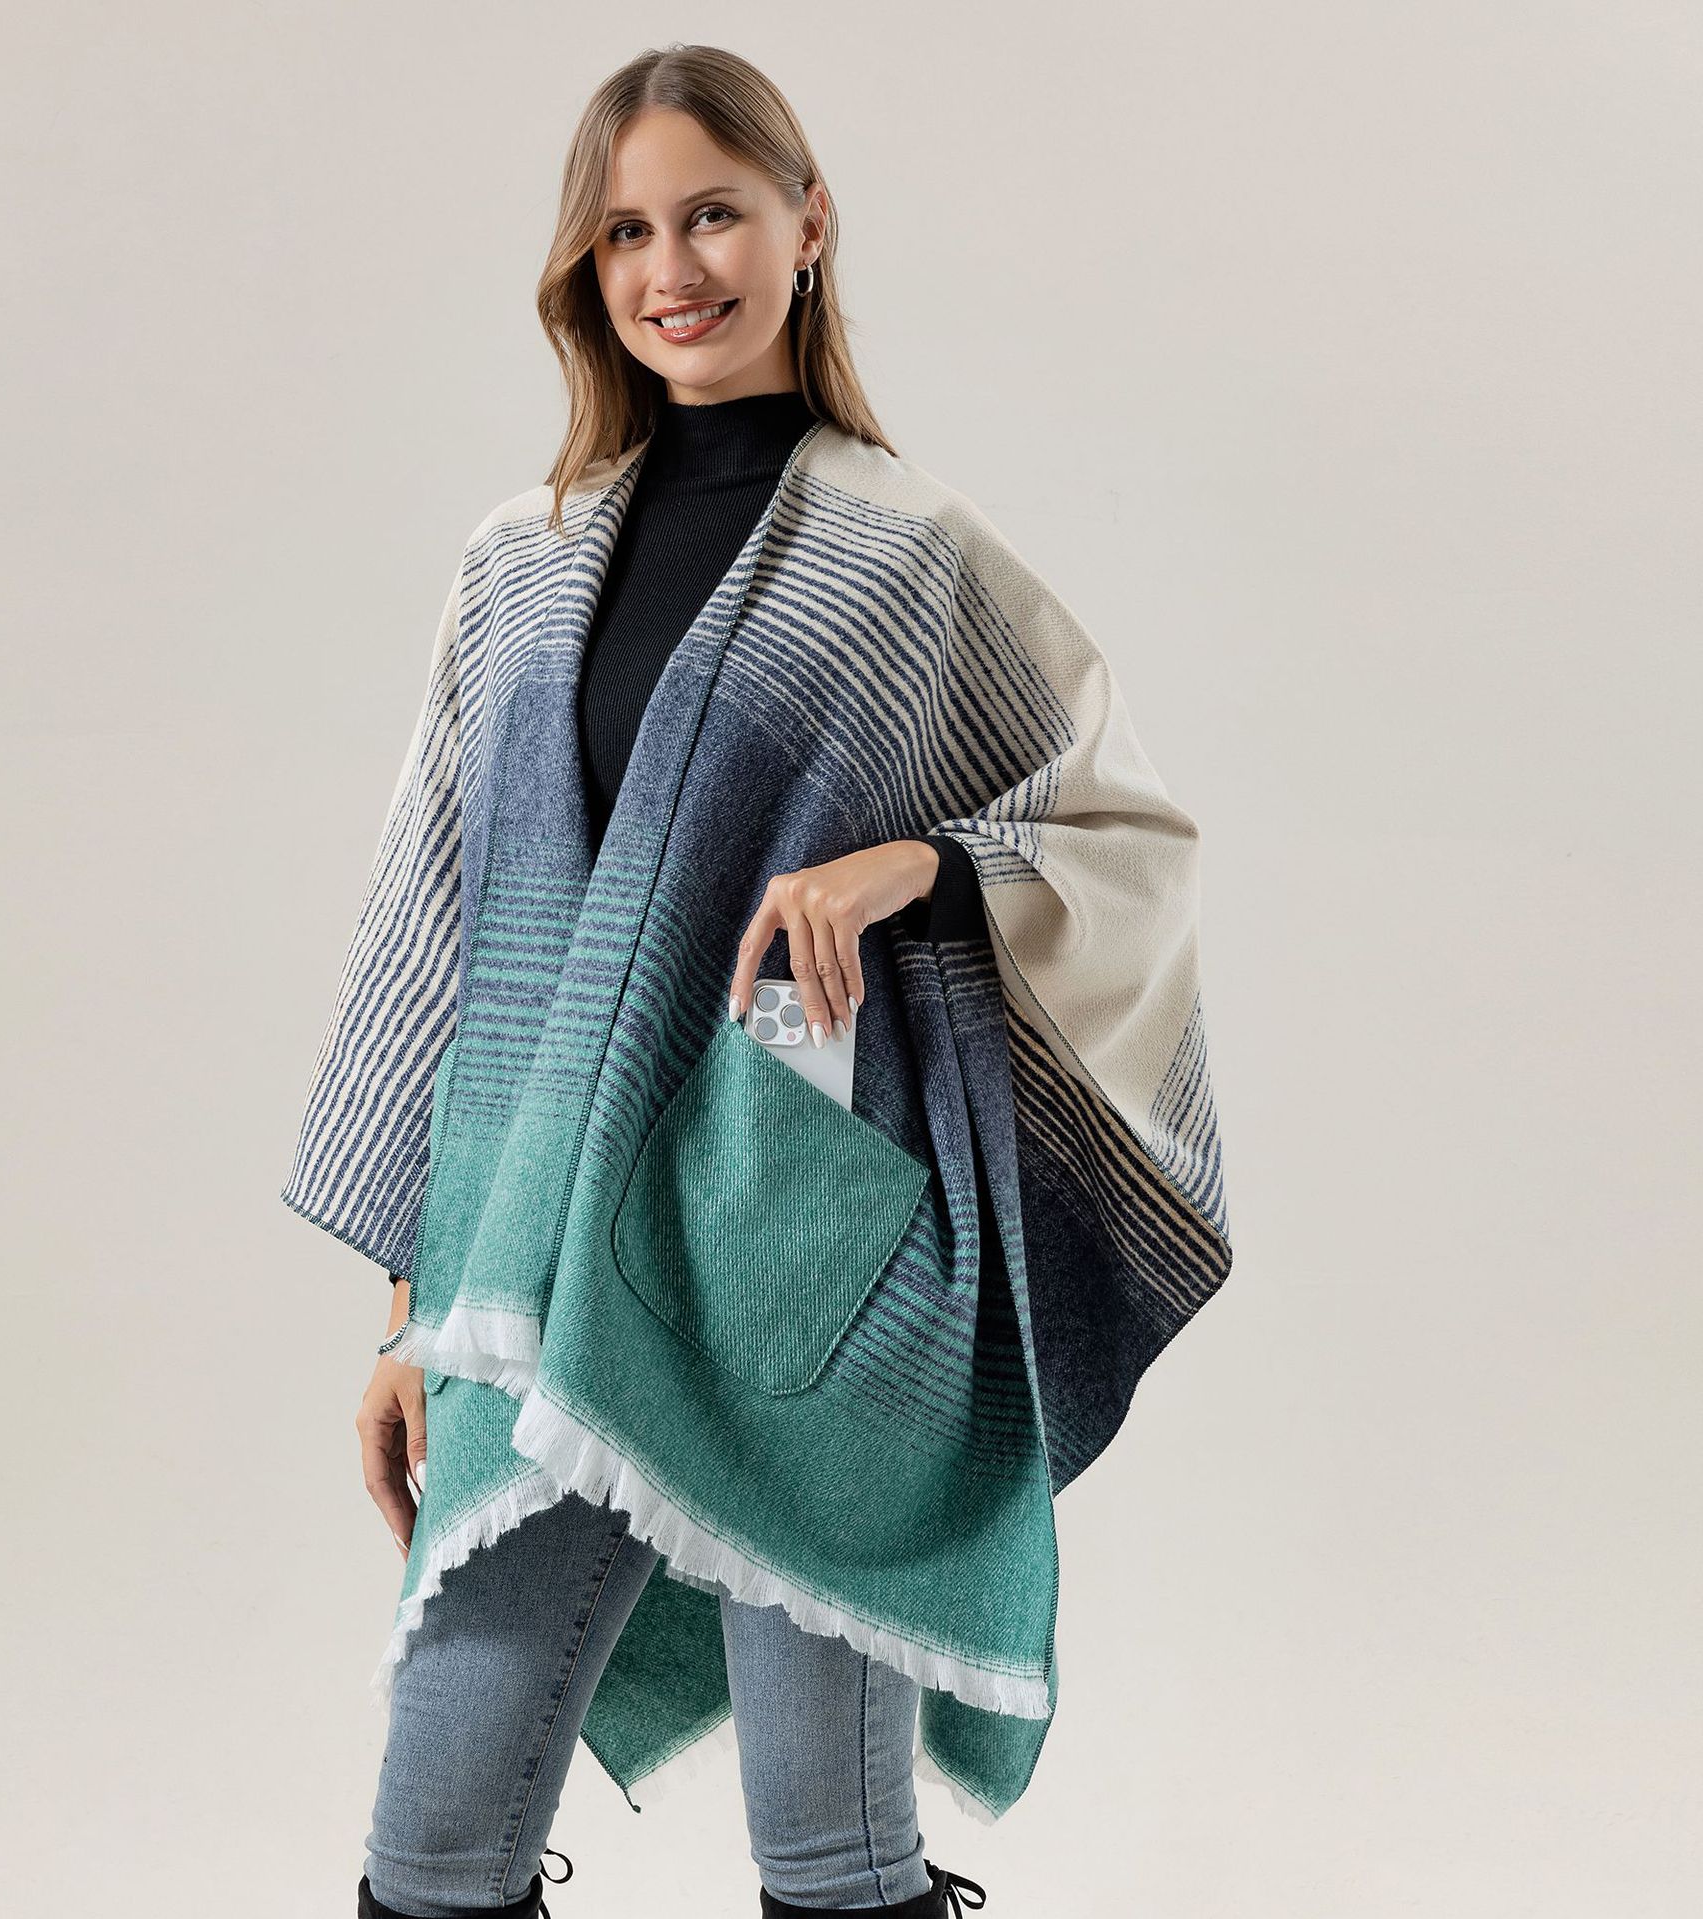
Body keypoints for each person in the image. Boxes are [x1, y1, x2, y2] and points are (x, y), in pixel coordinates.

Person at [282, 40, 1232, 1919]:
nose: (673, 267)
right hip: (531, 1263)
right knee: (433, 1846)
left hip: (805, 1242)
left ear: (809, 225)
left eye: (712, 212)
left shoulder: (908, 556)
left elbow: (1126, 844)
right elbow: (440, 932)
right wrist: (406, 1308)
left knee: (832, 1857)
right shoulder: (520, 564)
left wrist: (919, 867)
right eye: (626, 230)